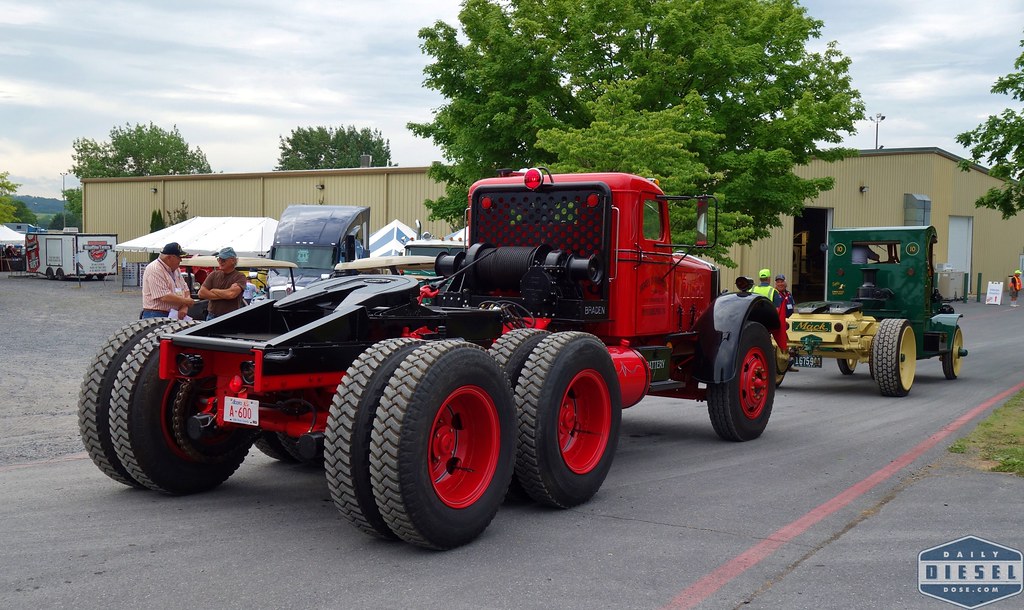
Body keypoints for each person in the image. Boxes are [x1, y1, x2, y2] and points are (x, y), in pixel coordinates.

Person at [140, 242, 194, 319]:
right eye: (179, 258)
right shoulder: (154, 269)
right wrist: (186, 302)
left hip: (174, 314)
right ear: (169, 258)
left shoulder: (176, 269)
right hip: (156, 314)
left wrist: (184, 307)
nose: (181, 260)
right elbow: (164, 297)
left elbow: (185, 289)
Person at [198, 246, 247, 319]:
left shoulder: (240, 276)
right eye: (219, 259)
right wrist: (225, 294)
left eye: (223, 260)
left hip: (230, 316)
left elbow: (231, 294)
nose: (220, 262)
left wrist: (214, 290)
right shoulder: (214, 274)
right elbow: (201, 293)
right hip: (212, 315)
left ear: (233, 261)